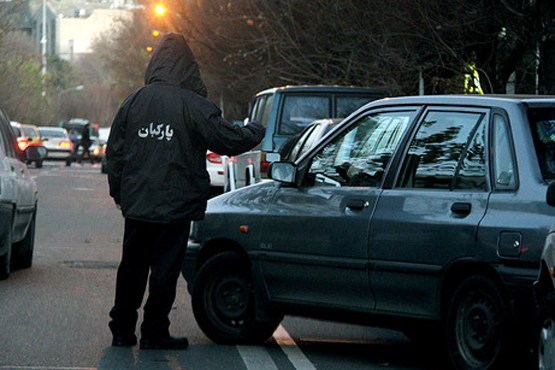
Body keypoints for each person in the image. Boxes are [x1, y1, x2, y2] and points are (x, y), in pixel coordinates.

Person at [105, 33, 264, 350]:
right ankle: (154, 331)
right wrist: (257, 130)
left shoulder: (134, 101)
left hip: (137, 203)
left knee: (132, 267)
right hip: (175, 205)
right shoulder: (193, 106)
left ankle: (122, 330)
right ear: (188, 67)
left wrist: (119, 192)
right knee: (164, 270)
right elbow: (227, 140)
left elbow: (115, 152)